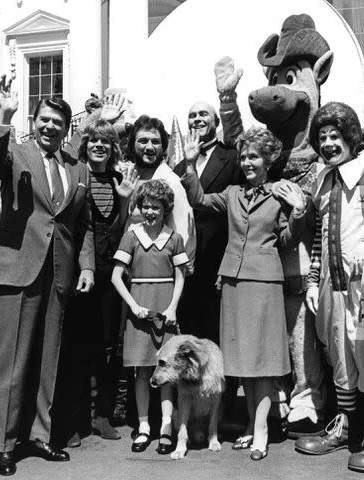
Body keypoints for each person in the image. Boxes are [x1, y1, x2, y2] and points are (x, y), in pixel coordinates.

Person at [0, 76, 94, 476]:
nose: (50, 127)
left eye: (57, 123)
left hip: (59, 274)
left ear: (66, 130)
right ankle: (4, 445)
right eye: (44, 120)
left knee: (49, 359)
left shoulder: (77, 168)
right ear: (35, 120)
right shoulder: (16, 152)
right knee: (11, 361)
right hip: (18, 270)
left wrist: (87, 266)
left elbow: (85, 224)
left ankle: (39, 436)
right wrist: (4, 116)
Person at [181, 126, 308, 460]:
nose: (248, 162)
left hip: (264, 281)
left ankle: (262, 429)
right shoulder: (233, 192)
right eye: (244, 156)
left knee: (263, 361)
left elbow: (287, 241)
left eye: (254, 156)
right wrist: (191, 165)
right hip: (233, 281)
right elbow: (198, 200)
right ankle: (252, 424)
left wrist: (297, 212)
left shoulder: (281, 193)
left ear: (268, 160)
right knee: (243, 361)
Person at [295, 102, 364, 473]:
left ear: (351, 135)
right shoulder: (323, 180)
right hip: (332, 287)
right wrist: (313, 280)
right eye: (322, 137)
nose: (328, 143)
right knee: (340, 357)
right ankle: (343, 426)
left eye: (335, 135)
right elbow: (319, 237)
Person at [62, 119, 137, 447]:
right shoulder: (75, 175)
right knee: (77, 343)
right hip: (81, 267)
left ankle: (102, 414)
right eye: (93, 140)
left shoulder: (120, 179)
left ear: (113, 148)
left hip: (112, 270)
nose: (99, 146)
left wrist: (124, 199)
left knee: (109, 345)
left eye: (105, 142)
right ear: (85, 144)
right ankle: (74, 418)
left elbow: (121, 229)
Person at [111, 179, 188, 455]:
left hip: (164, 310)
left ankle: (166, 426)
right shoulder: (132, 235)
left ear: (166, 208)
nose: (150, 211)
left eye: (155, 206)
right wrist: (132, 306)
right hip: (140, 311)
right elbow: (116, 276)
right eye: (145, 206)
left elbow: (180, 276)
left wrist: (173, 308)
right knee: (141, 371)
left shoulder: (174, 238)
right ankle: (144, 427)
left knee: (166, 372)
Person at [174, 101, 242, 343]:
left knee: (219, 330)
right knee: (190, 330)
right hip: (189, 260)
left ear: (217, 121)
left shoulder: (233, 158)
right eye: (192, 115)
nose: (197, 119)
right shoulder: (180, 166)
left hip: (220, 257)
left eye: (203, 114)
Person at [124, 115, 195, 274]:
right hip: (126, 270)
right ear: (132, 144)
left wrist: (179, 275)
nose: (149, 147)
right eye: (143, 141)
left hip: (159, 272)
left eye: (155, 142)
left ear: (163, 147)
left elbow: (184, 233)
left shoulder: (172, 182)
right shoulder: (126, 177)